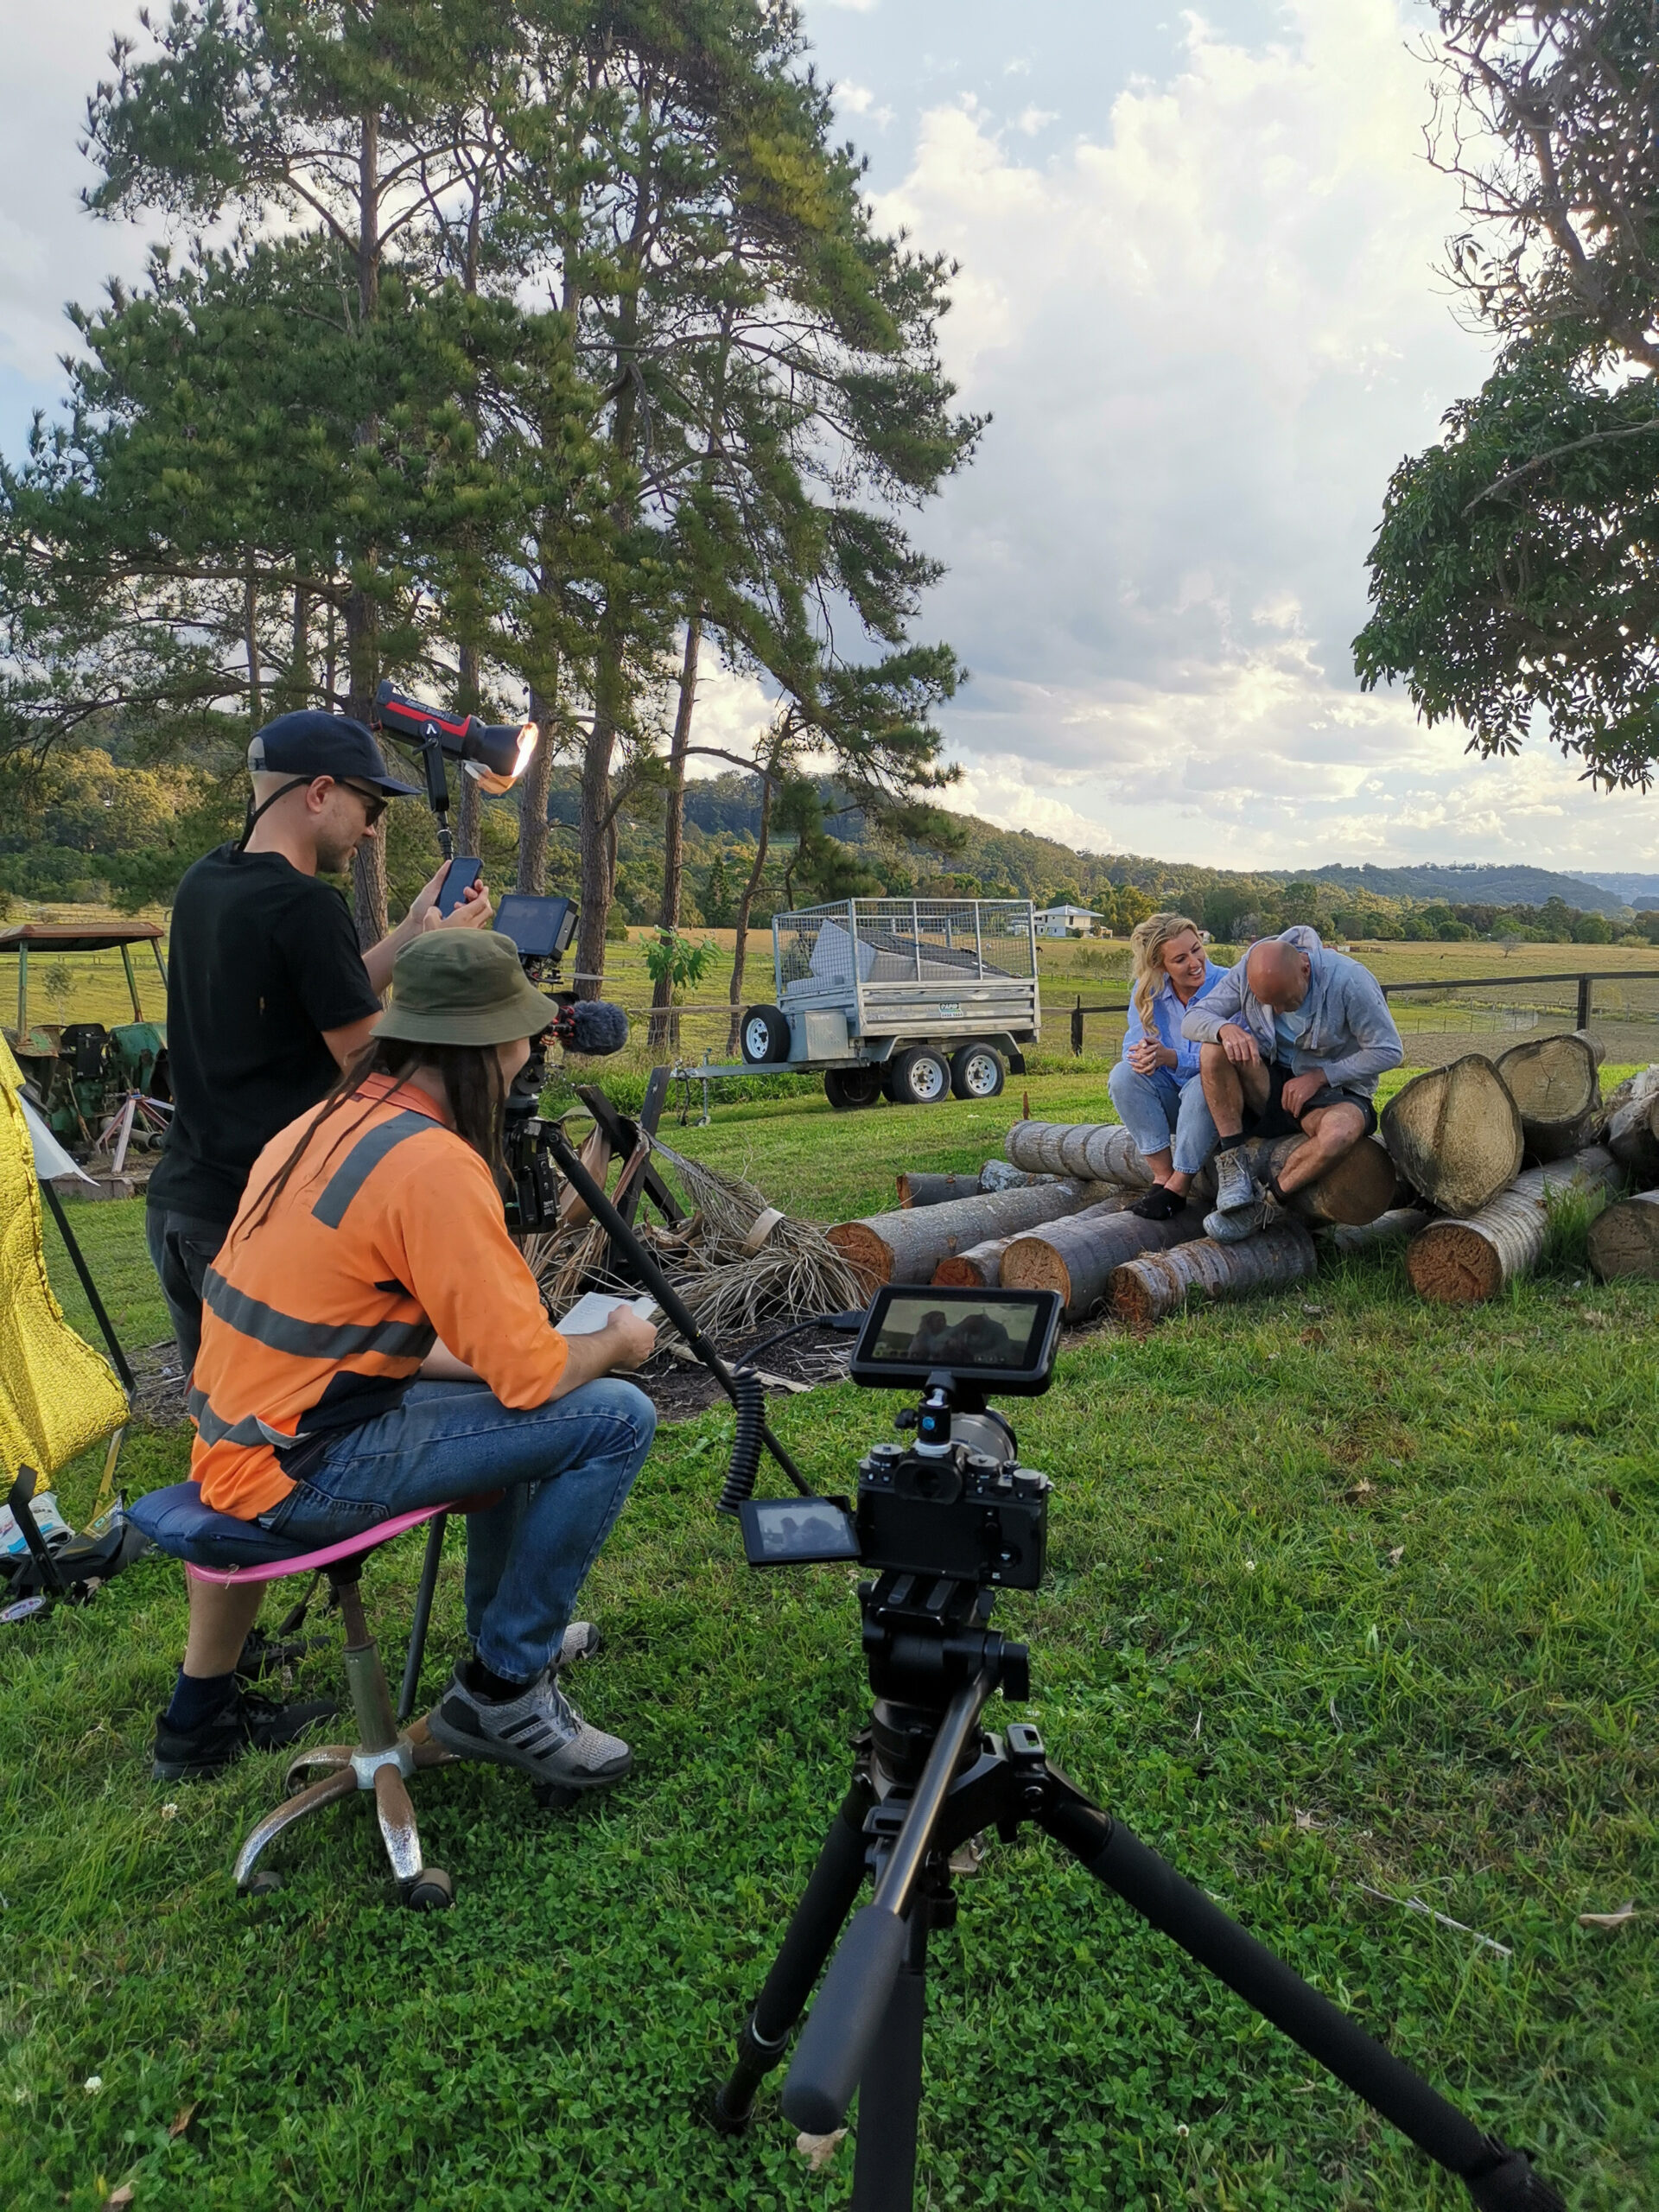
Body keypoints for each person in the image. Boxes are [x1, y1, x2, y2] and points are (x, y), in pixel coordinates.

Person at [153, 930, 658, 1791]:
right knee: (616, 1416)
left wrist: (510, 1361)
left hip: (249, 1439)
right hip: (302, 1467)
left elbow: (359, 1335)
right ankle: (505, 1686)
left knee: (526, 1409)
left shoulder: (325, 1122)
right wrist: (617, 1341)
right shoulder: (433, 1165)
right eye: (522, 1038)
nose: (528, 1058)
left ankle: (504, 1635)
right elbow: (534, 1374)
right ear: (485, 1046)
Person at [145, 708, 494, 1381]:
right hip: (252, 1217)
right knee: (285, 1426)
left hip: (182, 1206)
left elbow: (323, 995)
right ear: (319, 792)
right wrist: (441, 960)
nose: (371, 828)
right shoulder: (305, 905)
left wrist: (412, 933)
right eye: (369, 807)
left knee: (221, 1419)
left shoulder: (206, 881)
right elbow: (375, 1073)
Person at [1179, 925, 1402, 1242]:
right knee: (1213, 1049)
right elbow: (1193, 1018)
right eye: (1269, 1003)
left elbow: (1389, 1050)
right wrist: (1224, 1029)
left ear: (1305, 968)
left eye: (1286, 1001)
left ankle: (1265, 1205)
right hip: (1269, 1082)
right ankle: (1233, 1165)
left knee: (1340, 1132)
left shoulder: (1350, 980)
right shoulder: (1248, 969)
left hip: (1333, 1091)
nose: (1278, 1011)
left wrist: (1321, 1076)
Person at [1106, 912, 1227, 1220]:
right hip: (1173, 1099)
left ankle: (1180, 1185)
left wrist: (1172, 1057)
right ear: (1161, 966)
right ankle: (1162, 1176)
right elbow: (1132, 1046)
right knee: (1123, 1075)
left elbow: (1229, 1059)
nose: (1195, 962)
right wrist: (1144, 1054)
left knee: (1202, 1084)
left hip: (1222, 1102)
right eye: (1180, 959)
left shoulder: (1228, 985)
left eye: (1197, 949)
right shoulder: (1147, 989)